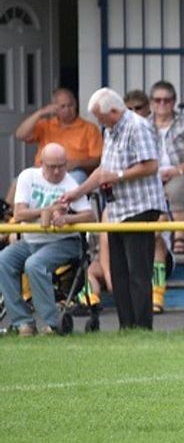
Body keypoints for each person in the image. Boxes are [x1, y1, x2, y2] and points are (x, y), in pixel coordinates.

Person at [62, 87, 166, 331]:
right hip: (118, 209)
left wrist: (118, 176)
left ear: (114, 111)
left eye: (100, 116)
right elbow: (102, 169)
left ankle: (142, 327)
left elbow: (151, 165)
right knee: (119, 272)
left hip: (141, 206)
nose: (99, 122)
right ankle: (126, 326)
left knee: (138, 272)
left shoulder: (138, 127)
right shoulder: (110, 131)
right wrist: (77, 192)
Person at [0, 144, 95, 336]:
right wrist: (46, 211)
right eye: (52, 167)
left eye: (61, 166)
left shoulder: (71, 184)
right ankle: (23, 322)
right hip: (30, 240)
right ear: (41, 163)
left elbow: (90, 216)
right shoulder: (27, 177)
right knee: (3, 260)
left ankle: (52, 323)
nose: (57, 171)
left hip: (64, 242)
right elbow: (19, 213)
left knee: (34, 264)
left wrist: (67, 219)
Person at [149, 80, 184, 254]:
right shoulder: (143, 125)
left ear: (174, 101)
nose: (162, 103)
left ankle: (180, 235)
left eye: (167, 100)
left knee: (177, 186)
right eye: (157, 100)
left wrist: (177, 170)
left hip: (182, 171)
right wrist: (154, 173)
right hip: (151, 174)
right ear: (151, 102)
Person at [14, 88, 103, 184]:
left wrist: (78, 163)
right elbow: (20, 135)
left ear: (76, 105)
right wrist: (40, 113)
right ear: (54, 108)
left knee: (72, 182)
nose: (67, 110)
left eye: (70, 105)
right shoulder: (46, 125)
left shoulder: (90, 128)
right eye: (62, 106)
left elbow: (97, 160)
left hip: (72, 172)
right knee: (18, 182)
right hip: (43, 170)